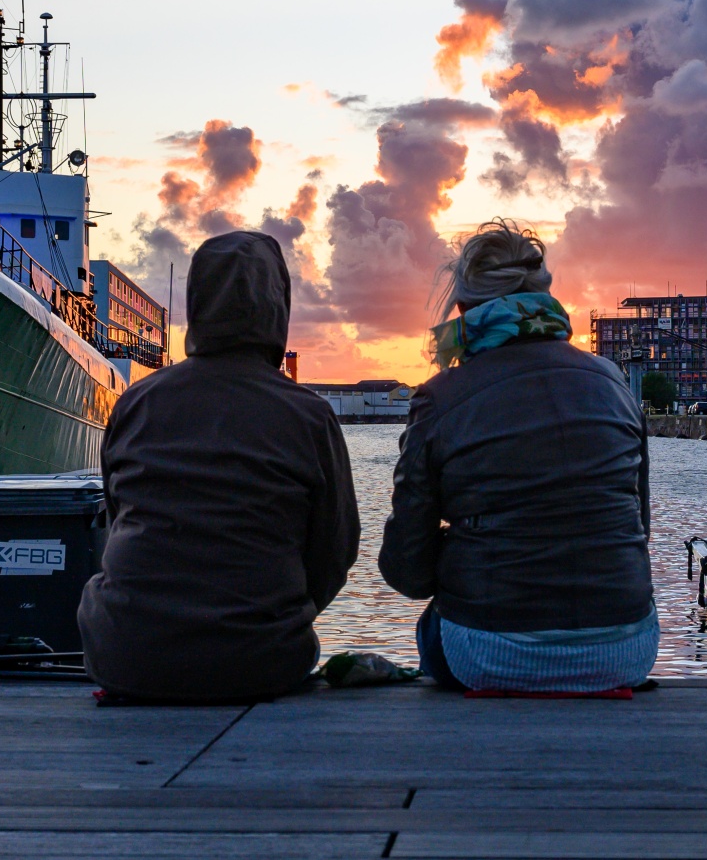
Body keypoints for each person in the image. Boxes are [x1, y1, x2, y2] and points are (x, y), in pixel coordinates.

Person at [78, 231, 359, 702]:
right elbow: (335, 548)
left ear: (197, 304)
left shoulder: (136, 403)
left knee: (95, 585)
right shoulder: (309, 415)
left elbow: (117, 512)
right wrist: (282, 611)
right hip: (264, 663)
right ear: (279, 306)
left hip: (127, 660)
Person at [379, 220, 655, 693]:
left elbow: (407, 572)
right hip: (625, 650)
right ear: (545, 296)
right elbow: (639, 528)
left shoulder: (440, 398)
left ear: (463, 310)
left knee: (433, 628)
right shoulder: (615, 384)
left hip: (489, 653)